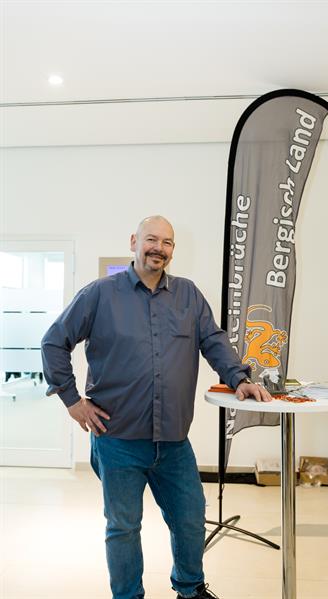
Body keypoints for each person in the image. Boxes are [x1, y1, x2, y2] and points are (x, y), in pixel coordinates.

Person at [41, 215, 272, 599]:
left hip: (173, 440)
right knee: (123, 526)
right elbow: (53, 342)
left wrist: (239, 378)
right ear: (134, 241)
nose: (158, 248)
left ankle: (189, 589)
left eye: (167, 243)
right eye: (151, 239)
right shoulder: (100, 294)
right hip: (117, 439)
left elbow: (213, 341)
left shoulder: (188, 295)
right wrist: (72, 401)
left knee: (190, 519)